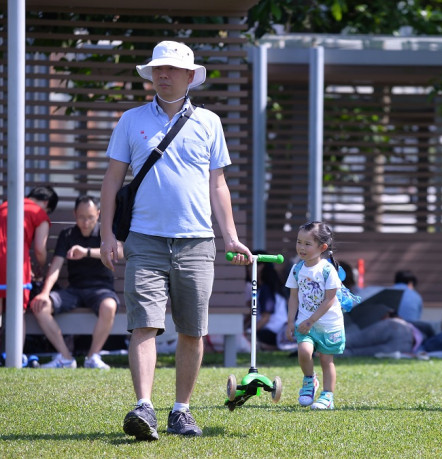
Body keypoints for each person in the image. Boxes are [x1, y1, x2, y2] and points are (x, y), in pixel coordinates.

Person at [99, 40, 252, 440]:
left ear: (189, 76)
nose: (162, 75)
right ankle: (144, 408)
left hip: (197, 241)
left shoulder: (210, 122)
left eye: (171, 70)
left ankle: (181, 411)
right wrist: (106, 236)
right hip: (143, 240)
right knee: (143, 326)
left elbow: (218, 185)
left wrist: (231, 238)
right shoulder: (130, 120)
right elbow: (112, 181)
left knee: (191, 329)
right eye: (157, 69)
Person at [30, 196, 123, 369]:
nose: (86, 222)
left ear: (98, 214)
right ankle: (65, 358)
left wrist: (86, 252)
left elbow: (120, 251)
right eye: (81, 217)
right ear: (75, 214)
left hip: (101, 290)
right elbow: (56, 266)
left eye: (90, 217)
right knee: (40, 305)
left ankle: (92, 357)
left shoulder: (106, 232)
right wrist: (44, 292)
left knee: (109, 306)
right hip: (73, 290)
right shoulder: (68, 234)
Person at [285, 221, 345, 410]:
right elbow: (293, 297)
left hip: (328, 325)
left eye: (307, 244)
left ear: (323, 247)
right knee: (304, 352)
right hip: (305, 323)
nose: (301, 247)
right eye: (299, 242)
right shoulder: (296, 269)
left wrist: (311, 320)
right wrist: (290, 322)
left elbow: (329, 300)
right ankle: (309, 381)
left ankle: (328, 396)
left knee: (326, 361)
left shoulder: (327, 271)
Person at [0, 186, 58, 312]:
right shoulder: (39, 213)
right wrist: (41, 266)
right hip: (15, 262)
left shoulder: (5, 205)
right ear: (46, 203)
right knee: (17, 313)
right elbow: (39, 249)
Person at [246, 251, 288, 350]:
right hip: (276, 331)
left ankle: (269, 347)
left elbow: (266, 318)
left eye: (251, 265)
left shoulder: (266, 289)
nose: (248, 269)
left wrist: (249, 332)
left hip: (274, 332)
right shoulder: (266, 287)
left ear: (261, 267)